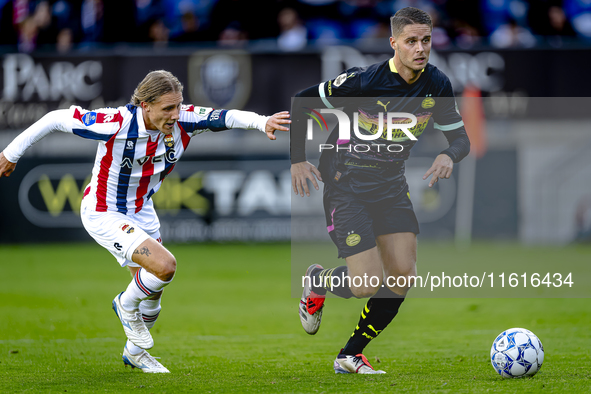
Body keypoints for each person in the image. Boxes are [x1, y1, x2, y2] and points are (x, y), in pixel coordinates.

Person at [0, 70, 290, 373]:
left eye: (178, 106)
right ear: (144, 105)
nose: (175, 114)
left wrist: (261, 122)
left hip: (142, 211)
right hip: (104, 211)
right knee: (165, 267)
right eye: (167, 108)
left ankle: (135, 352)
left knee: (153, 299)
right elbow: (56, 118)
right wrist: (11, 153)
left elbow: (225, 116)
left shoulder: (185, 120)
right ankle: (124, 304)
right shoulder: (116, 123)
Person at [291, 7, 470, 374]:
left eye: (426, 40)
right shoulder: (364, 82)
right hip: (347, 187)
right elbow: (302, 102)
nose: (420, 48)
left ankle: (349, 354)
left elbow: (461, 139)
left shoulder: (437, 84)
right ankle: (318, 281)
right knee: (366, 284)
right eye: (411, 41)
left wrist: (449, 154)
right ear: (394, 43)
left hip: (391, 187)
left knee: (403, 275)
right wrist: (298, 159)